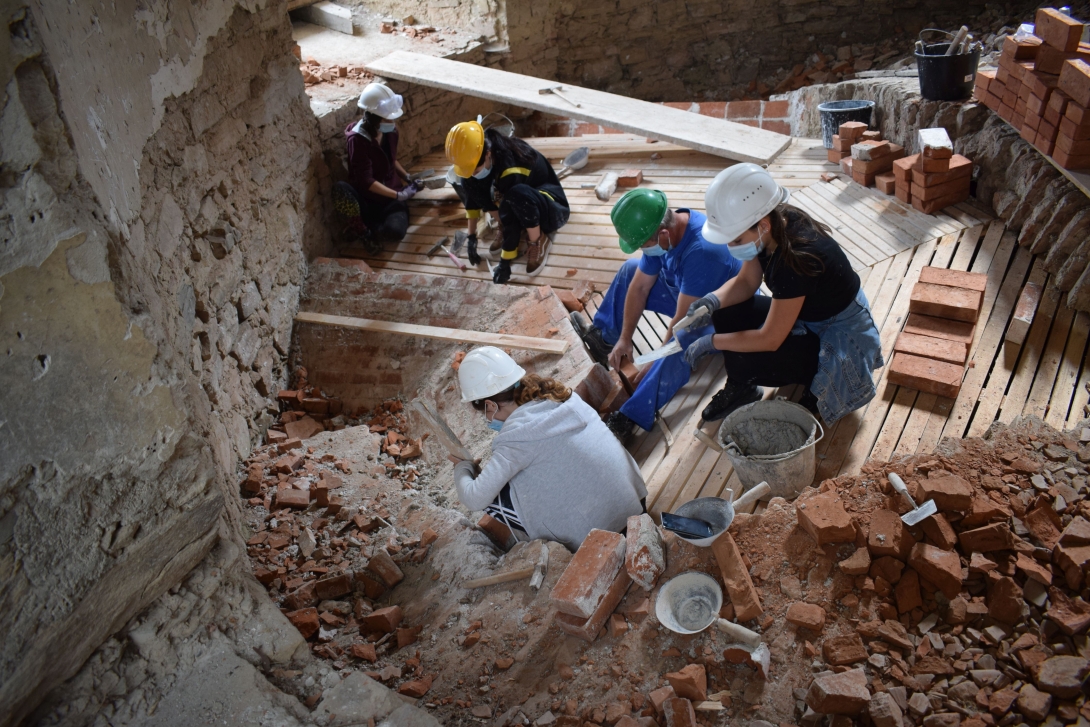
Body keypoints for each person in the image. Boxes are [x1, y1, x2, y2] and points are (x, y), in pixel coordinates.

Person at [682, 163, 884, 424]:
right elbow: (746, 280)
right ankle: (743, 386)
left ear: (762, 225)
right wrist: (711, 301)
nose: (732, 247)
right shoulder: (777, 222)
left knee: (744, 360)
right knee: (726, 311)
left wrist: (711, 342)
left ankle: (816, 381)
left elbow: (770, 339)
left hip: (838, 333)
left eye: (736, 240)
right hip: (809, 315)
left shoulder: (796, 260)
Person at [569, 188, 744, 442]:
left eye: (643, 245)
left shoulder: (703, 252)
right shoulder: (665, 233)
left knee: (681, 344)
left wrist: (652, 358)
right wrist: (625, 339)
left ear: (663, 234)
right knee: (631, 270)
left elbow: (683, 323)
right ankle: (605, 339)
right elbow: (640, 287)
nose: (643, 250)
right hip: (687, 293)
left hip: (721, 316)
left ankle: (631, 416)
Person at [451, 346, 647, 552]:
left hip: (603, 537)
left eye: (485, 413)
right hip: (636, 505)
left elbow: (474, 498)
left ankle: (566, 542)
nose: (488, 420)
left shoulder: (515, 438)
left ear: (490, 405)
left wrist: (462, 468)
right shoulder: (562, 397)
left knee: (501, 499)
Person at [445, 119, 570, 283]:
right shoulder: (479, 160)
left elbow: (510, 214)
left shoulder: (509, 168)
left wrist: (505, 262)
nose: (472, 173)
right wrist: (471, 237)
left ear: (488, 154)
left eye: (475, 169)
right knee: (472, 184)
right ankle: (509, 227)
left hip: (550, 205)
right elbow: (473, 198)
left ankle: (538, 240)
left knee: (516, 195)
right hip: (524, 201)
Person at [333, 82, 422, 248]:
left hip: (389, 197)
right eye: (387, 117)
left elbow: (391, 159)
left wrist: (407, 177)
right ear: (374, 118)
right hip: (368, 199)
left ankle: (372, 228)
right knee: (341, 189)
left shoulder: (390, 132)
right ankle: (362, 229)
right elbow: (366, 181)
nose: (392, 120)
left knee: (396, 231)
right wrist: (399, 195)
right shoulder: (357, 140)